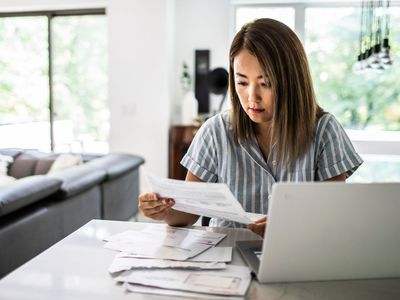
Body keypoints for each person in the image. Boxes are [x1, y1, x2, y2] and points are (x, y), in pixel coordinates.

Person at [138, 18, 363, 237]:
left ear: (292, 81)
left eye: (266, 83)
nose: (251, 97)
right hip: (225, 262)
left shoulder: (324, 131)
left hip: (298, 258)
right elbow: (187, 214)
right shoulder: (215, 131)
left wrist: (289, 226)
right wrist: (164, 210)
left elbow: (333, 217)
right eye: (242, 82)